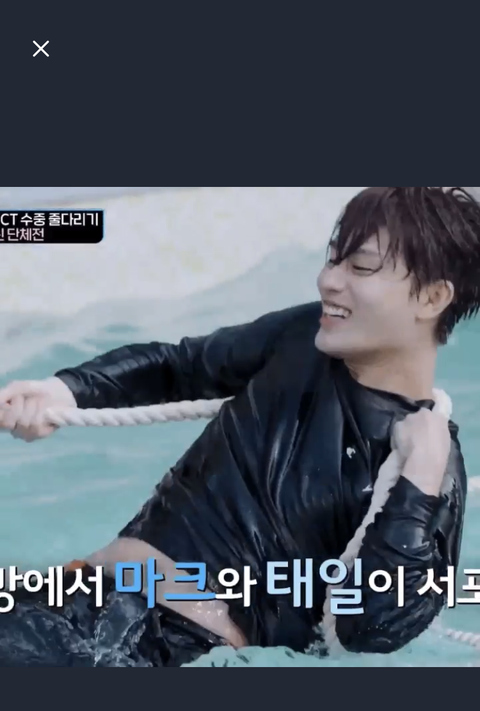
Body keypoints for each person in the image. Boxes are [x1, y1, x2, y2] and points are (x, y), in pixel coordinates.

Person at [0, 186, 478, 667]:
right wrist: (66, 391)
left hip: (163, 651)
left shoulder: (430, 469)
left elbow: (372, 630)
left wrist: (419, 485)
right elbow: (181, 365)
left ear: (432, 297)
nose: (328, 280)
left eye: (360, 267)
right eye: (333, 259)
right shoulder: (304, 337)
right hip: (75, 595)